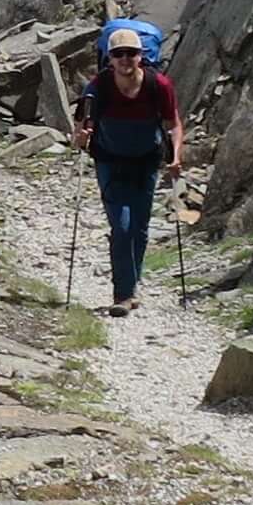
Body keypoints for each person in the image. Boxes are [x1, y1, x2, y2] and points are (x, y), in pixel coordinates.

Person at [73, 27, 182, 316]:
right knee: (121, 227)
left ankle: (132, 286)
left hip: (146, 160)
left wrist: (176, 156)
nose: (124, 59)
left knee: (141, 228)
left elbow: (173, 124)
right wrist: (82, 137)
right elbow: (79, 132)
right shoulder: (97, 89)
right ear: (109, 58)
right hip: (109, 160)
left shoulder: (159, 85)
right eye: (118, 54)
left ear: (141, 56)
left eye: (130, 53)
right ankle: (123, 294)